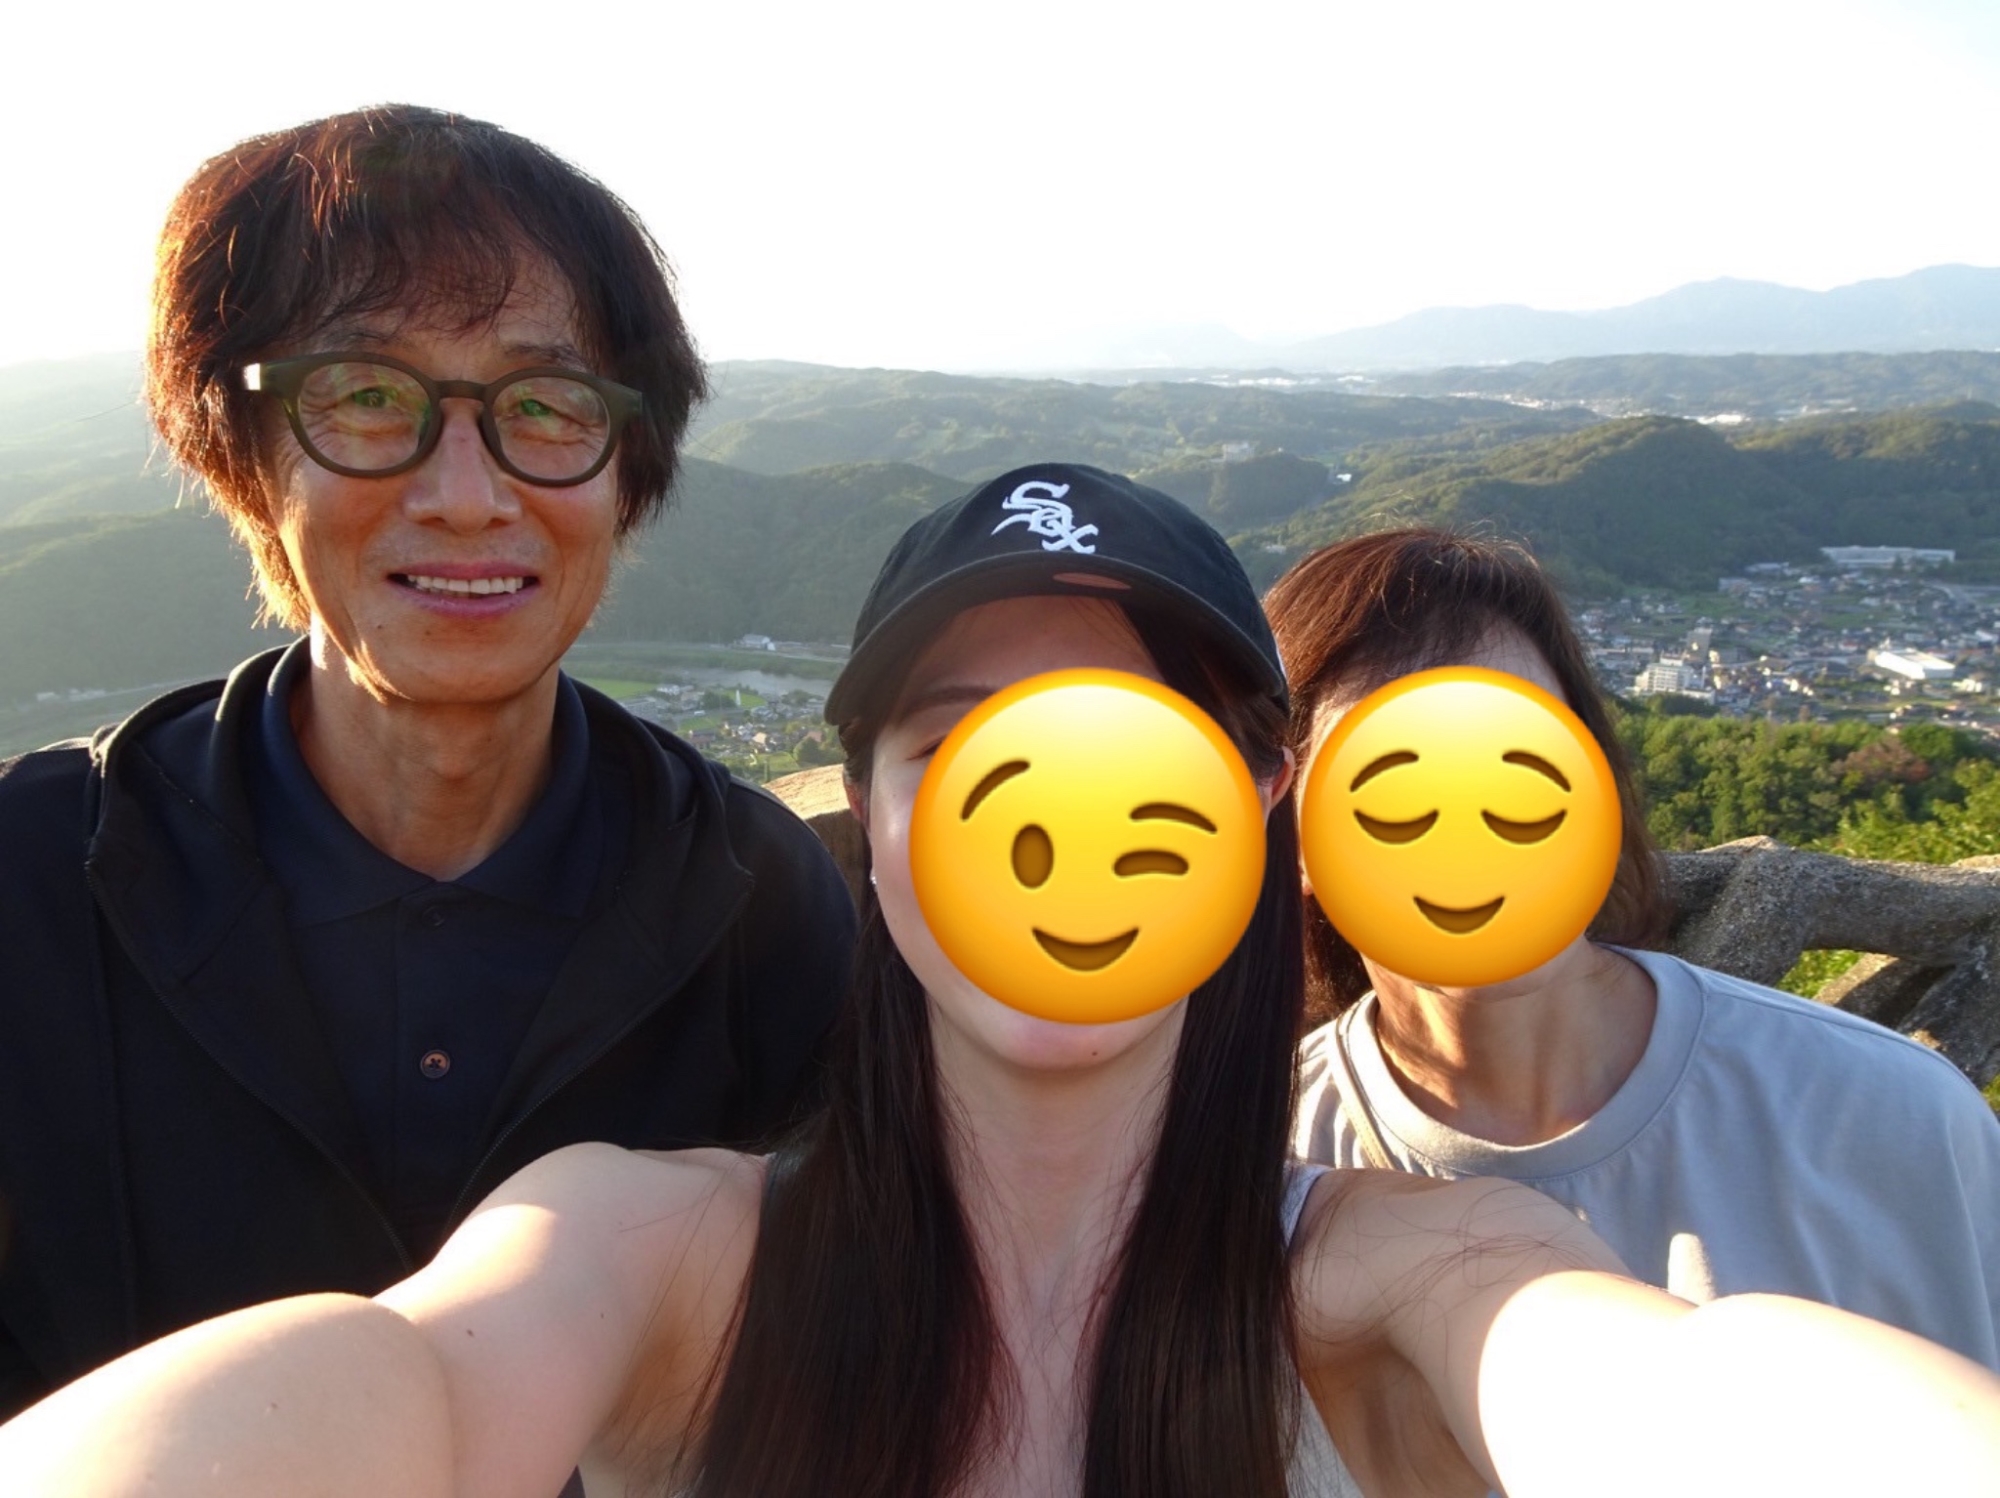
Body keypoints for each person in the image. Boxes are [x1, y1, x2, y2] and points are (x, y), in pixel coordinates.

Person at [4, 466, 1998, 1498]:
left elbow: (1671, 1391)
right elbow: (414, 1379)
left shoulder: (1391, 1269)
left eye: (1143, 741)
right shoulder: (658, 1250)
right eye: (957, 737)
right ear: (871, 819)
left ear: (1257, 812)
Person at [0, 105, 854, 1418]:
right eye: (367, 395)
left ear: (627, 470)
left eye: (547, 404)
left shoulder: (757, 904)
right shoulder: (39, 883)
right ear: (243, 457)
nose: (465, 493)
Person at [1268, 527, 2000, 1369]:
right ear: (1294, 840)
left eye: (1522, 761)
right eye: (1392, 787)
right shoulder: (1260, 1169)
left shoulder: (1892, 1122)